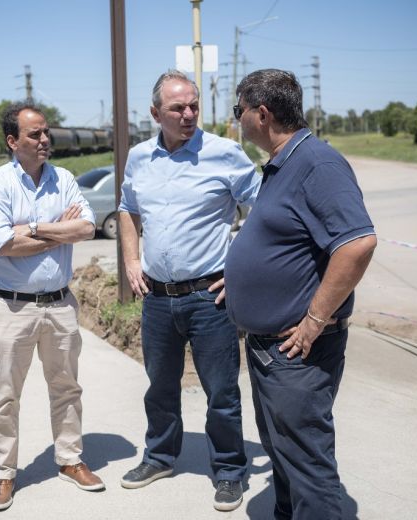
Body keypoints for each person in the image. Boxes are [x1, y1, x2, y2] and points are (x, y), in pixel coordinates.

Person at [225, 69, 377, 519]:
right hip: (270, 351)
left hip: (297, 355)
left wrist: (313, 320)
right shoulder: (282, 164)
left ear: (262, 113)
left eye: (239, 110)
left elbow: (357, 243)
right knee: (286, 458)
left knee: (309, 468)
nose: (237, 119)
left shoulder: (317, 164)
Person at [117, 70, 261, 512]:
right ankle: (160, 457)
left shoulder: (224, 153)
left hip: (209, 299)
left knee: (221, 391)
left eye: (193, 105)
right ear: (156, 113)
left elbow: (265, 209)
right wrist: (131, 260)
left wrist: (238, 267)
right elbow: (127, 208)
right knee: (159, 387)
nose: (188, 114)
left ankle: (230, 471)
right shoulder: (140, 158)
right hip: (157, 300)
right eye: (178, 107)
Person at [0, 102, 104, 512]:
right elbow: (3, 244)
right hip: (11, 309)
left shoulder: (64, 179)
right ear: (13, 141)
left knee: (67, 388)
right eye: (34, 134)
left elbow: (86, 227)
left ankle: (70, 460)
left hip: (60, 306)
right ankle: (4, 476)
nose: (44, 139)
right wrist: (58, 233)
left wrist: (32, 228)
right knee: (5, 396)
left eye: (45, 132)